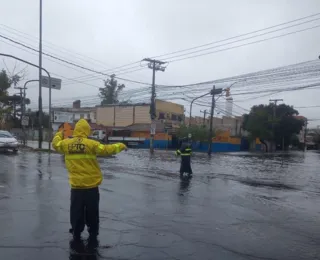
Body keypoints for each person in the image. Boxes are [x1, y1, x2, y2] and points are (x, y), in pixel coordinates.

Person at [52, 119, 127, 239]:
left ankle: (76, 231)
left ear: (76, 130)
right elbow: (107, 150)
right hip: (91, 186)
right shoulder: (91, 144)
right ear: (87, 130)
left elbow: (55, 144)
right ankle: (93, 232)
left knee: (76, 211)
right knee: (92, 211)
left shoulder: (67, 144)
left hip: (76, 187)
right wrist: (121, 145)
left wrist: (59, 133)